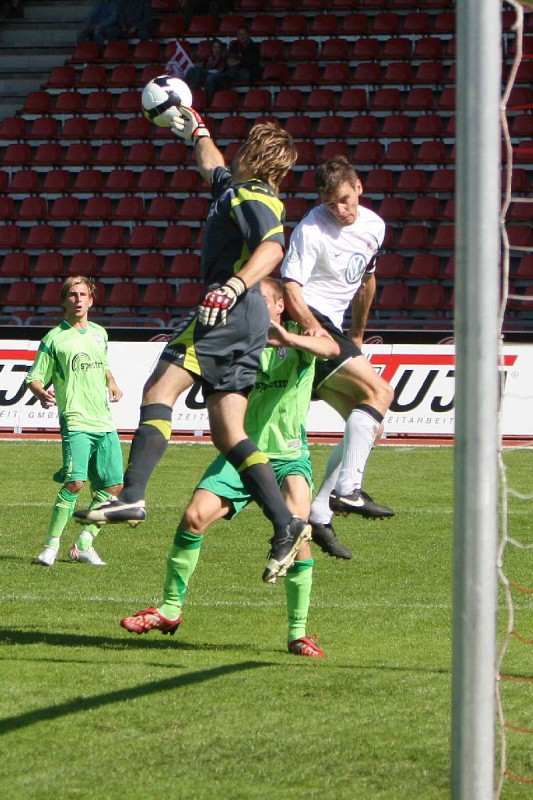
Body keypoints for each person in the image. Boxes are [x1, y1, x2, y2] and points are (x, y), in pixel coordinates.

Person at [75, 111, 310, 584]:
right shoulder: (234, 188)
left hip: (226, 309)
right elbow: (210, 165)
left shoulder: (253, 195)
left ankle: (132, 494)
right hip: (248, 319)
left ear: (254, 155)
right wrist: (197, 130)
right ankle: (286, 523)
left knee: (159, 389)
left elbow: (272, 248)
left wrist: (234, 286)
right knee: (230, 432)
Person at [120, 278, 344, 655]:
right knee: (193, 517)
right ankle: (170, 609)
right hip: (241, 453)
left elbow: (331, 347)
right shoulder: (240, 340)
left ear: (279, 306)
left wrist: (288, 339)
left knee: (297, 535)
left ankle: (298, 632)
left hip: (288, 457)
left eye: (259, 300)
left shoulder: (298, 335)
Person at [281, 156, 395, 554]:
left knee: (368, 426)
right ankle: (348, 490)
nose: (340, 210)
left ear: (358, 188)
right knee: (380, 392)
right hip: (311, 324)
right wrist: (311, 326)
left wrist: (358, 332)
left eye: (345, 200)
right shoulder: (311, 229)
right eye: (331, 204)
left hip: (336, 328)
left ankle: (319, 512)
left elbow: (366, 280)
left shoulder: (375, 226)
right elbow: (291, 287)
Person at [26, 277, 124, 567]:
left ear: (91, 301)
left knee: (114, 487)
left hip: (104, 421)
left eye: (83, 294)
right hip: (76, 420)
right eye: (72, 294)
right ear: (63, 301)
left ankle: (83, 543)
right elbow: (34, 376)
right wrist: (40, 392)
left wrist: (112, 383)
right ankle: (50, 546)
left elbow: (104, 364)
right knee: (75, 483)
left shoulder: (99, 333)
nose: (78, 299)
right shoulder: (54, 338)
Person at [206, 25, 261, 106]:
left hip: (247, 72)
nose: (242, 36)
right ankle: (209, 103)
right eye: (240, 34)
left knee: (234, 61)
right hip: (232, 71)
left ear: (249, 35)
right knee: (211, 78)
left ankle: (228, 78)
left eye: (244, 34)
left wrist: (239, 62)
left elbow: (252, 62)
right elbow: (228, 60)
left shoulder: (255, 47)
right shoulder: (234, 45)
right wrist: (235, 61)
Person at [185, 38, 226, 107]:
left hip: (218, 77)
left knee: (209, 77)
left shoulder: (223, 58)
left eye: (218, 47)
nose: (216, 49)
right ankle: (187, 91)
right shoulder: (208, 58)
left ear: (220, 49)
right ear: (212, 48)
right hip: (206, 74)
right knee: (192, 70)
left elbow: (221, 70)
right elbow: (204, 68)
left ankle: (207, 101)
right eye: (214, 47)